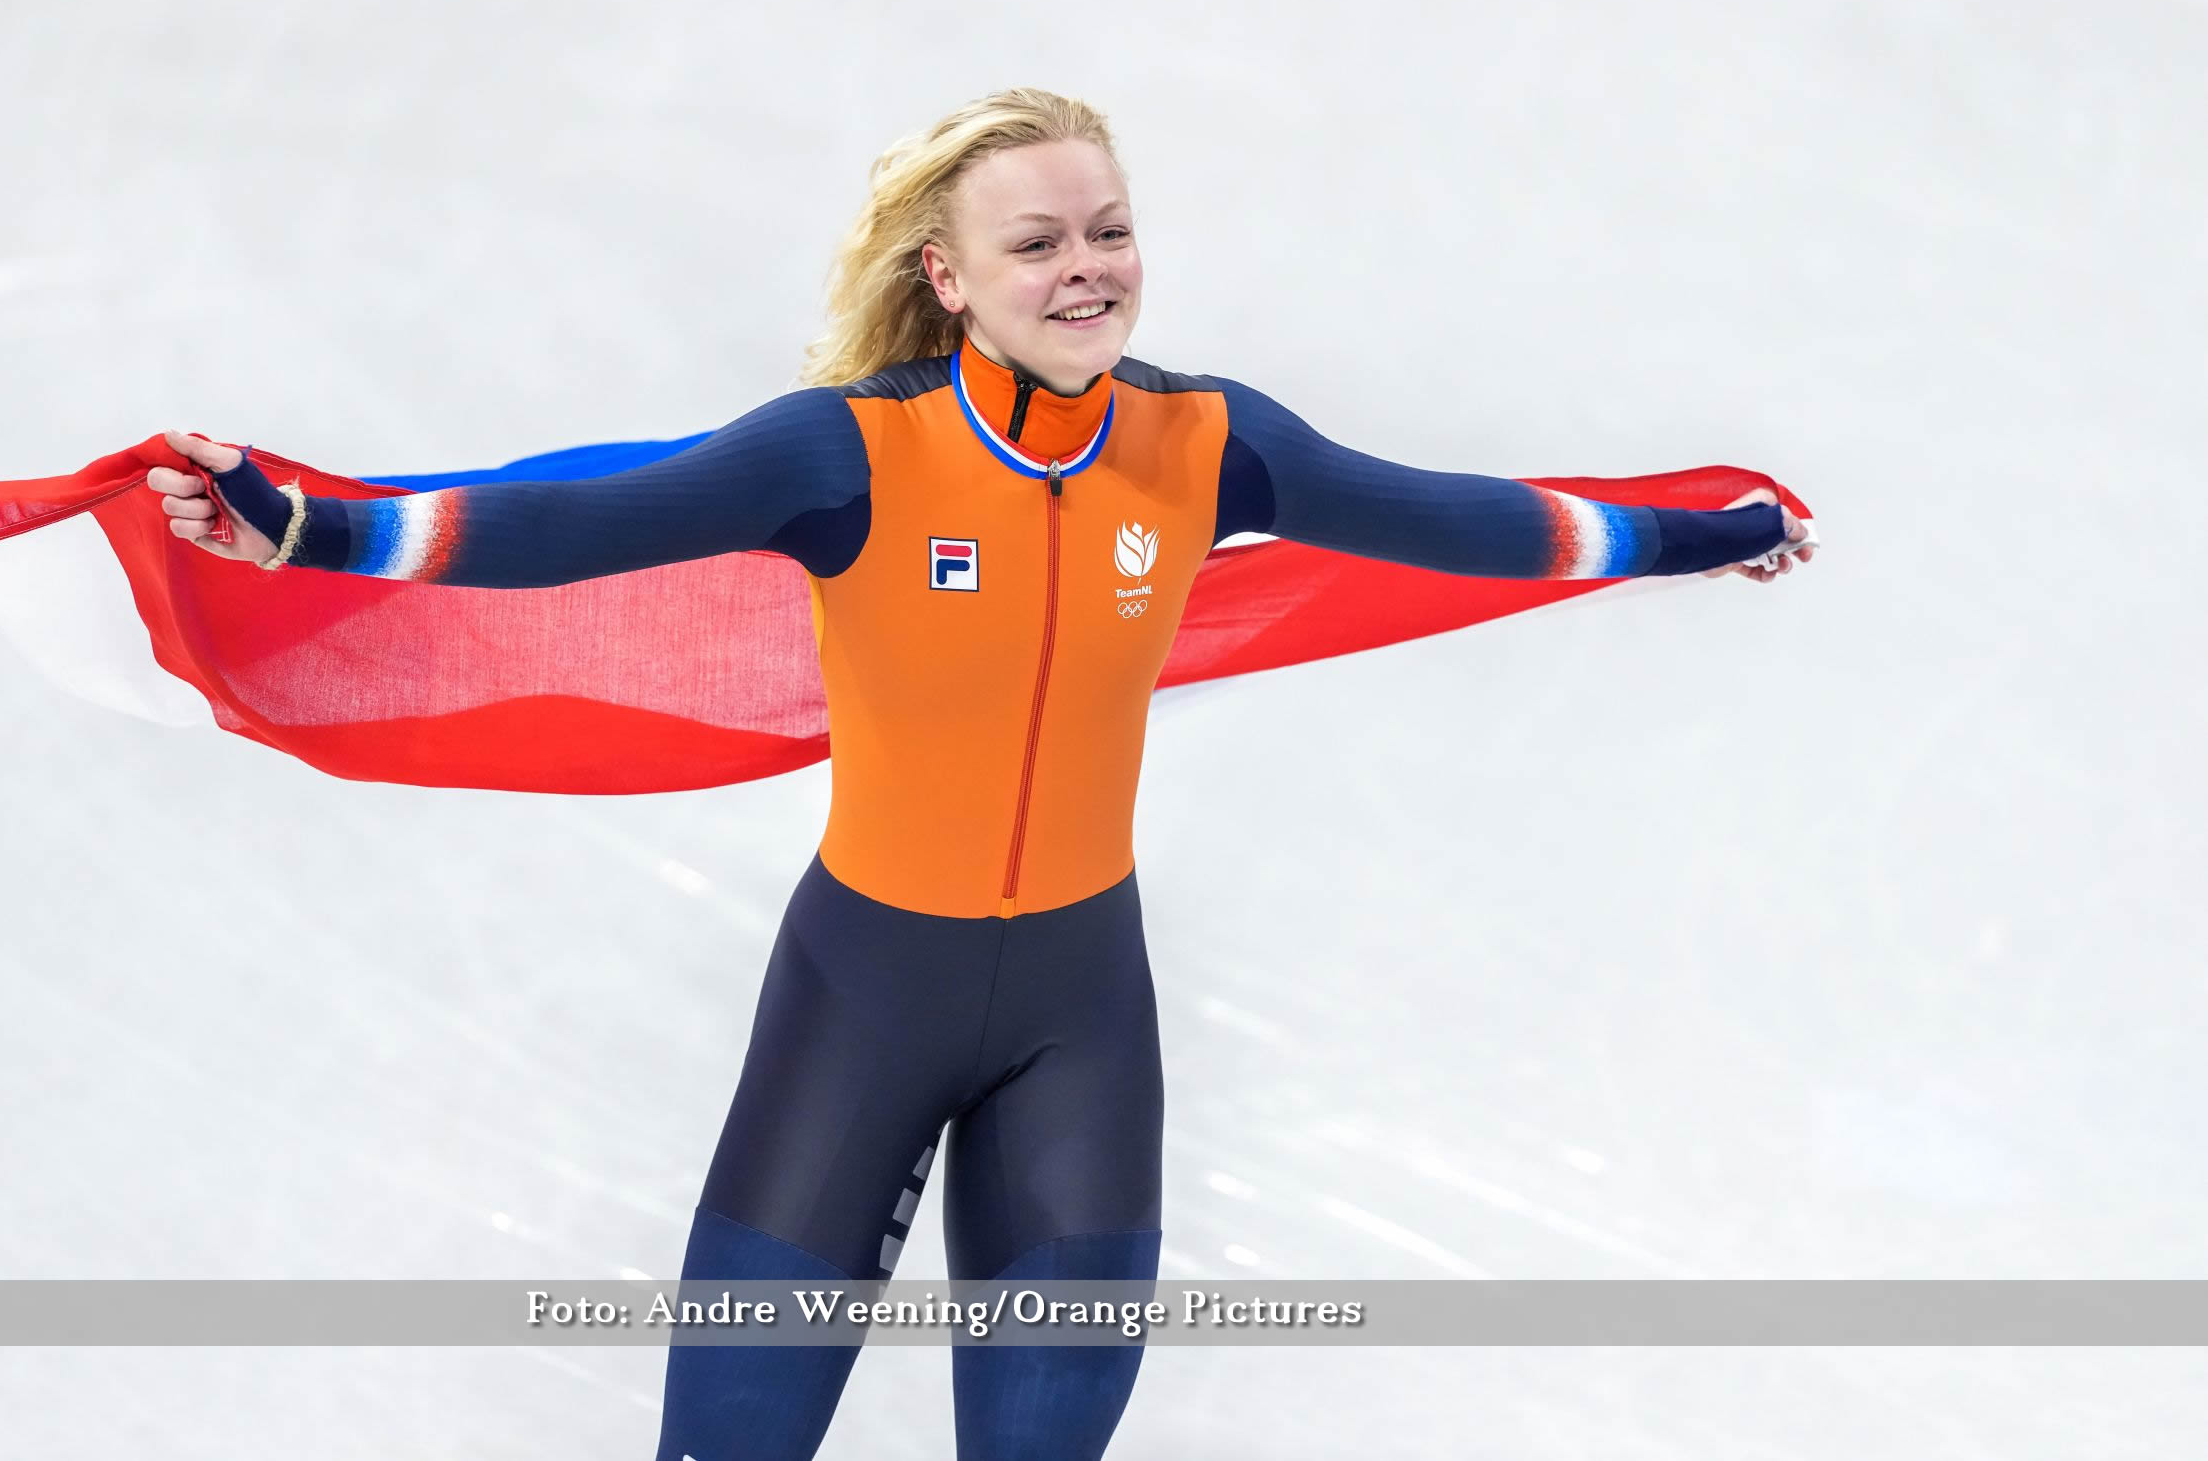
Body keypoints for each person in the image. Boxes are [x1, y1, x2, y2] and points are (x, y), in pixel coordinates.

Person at [145, 88, 1813, 1459]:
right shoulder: (847, 453)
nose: (1086, 269)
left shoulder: (1205, 443)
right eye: (1038, 242)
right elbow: (578, 526)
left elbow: (1453, 521)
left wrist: (1696, 536)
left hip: (1081, 1023)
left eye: (1109, 230)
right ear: (946, 275)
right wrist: (306, 528)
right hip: (862, 1002)